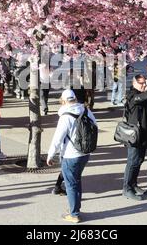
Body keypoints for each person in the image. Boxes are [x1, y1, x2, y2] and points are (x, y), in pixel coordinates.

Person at [47, 89, 97, 223]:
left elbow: (57, 138)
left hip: (70, 155)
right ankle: (76, 208)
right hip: (85, 153)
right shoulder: (85, 110)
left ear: (63, 101)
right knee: (76, 181)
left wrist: (50, 155)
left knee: (71, 184)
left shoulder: (65, 116)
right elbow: (95, 125)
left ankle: (74, 214)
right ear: (74, 99)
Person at [123, 75, 147, 201]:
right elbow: (138, 99)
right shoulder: (132, 94)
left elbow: (146, 99)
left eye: (145, 83)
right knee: (132, 162)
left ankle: (133, 184)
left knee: (138, 161)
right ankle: (127, 188)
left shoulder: (142, 93)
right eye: (141, 83)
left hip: (143, 135)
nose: (144, 85)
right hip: (134, 136)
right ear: (134, 83)